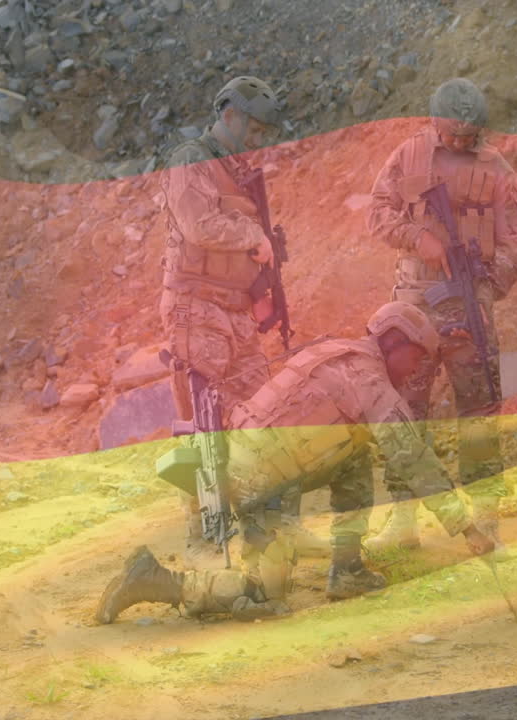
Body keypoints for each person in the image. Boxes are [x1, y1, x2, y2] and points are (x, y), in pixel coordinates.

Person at [95, 303, 496, 625]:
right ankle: (154, 580)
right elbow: (416, 461)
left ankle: (348, 569)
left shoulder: (338, 352)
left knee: (355, 453)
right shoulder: (369, 380)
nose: (417, 369)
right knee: (264, 596)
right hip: (258, 481)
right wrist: (467, 527)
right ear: (394, 341)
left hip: (249, 459)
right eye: (416, 356)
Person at [159, 76, 325, 563]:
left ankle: (270, 529)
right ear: (228, 114)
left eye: (262, 131)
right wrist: (252, 234)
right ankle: (207, 538)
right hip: (197, 308)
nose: (258, 139)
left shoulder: (239, 172)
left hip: (234, 312)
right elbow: (198, 225)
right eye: (253, 128)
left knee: (260, 417)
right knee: (206, 426)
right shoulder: (192, 160)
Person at [365, 78, 517, 554]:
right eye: (453, 134)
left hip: (469, 301)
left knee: (479, 408)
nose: (460, 142)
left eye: (468, 135)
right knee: (407, 407)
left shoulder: (496, 168)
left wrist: (486, 286)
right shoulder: (407, 156)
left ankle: (485, 514)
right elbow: (377, 213)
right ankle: (404, 516)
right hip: (416, 300)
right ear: (434, 121)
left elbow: (515, 237)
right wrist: (420, 240)